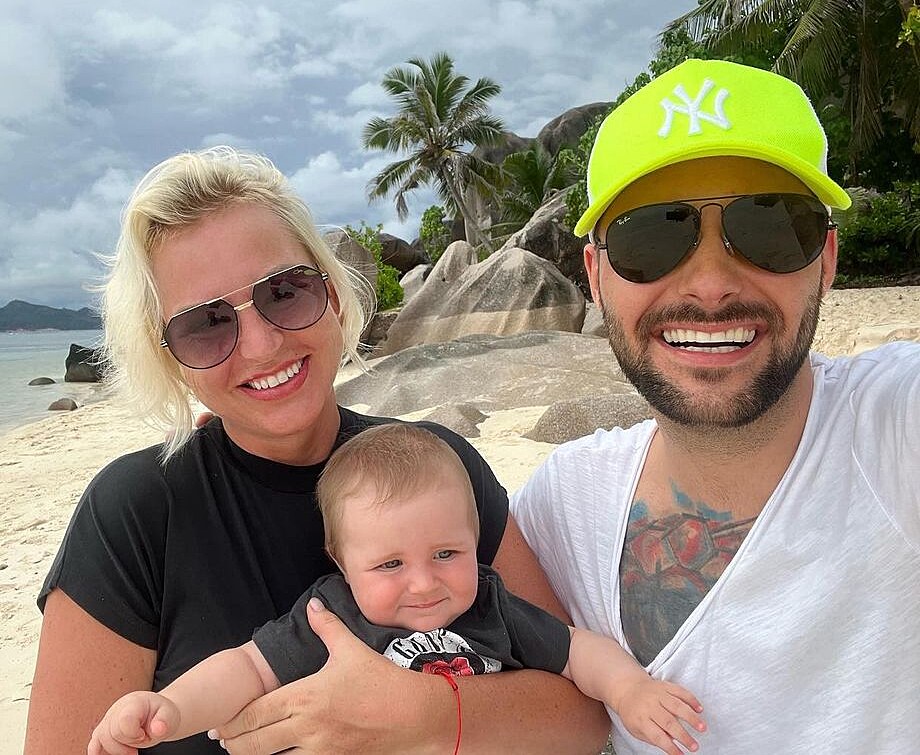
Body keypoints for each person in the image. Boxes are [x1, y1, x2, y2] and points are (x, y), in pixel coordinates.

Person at [26, 146, 613, 754]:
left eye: (285, 292)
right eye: (205, 324)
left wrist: (428, 715)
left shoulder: (437, 466)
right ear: (169, 355)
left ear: (332, 293)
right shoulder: (137, 512)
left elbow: (581, 717)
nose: (261, 346)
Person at [512, 57, 920, 754]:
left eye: (770, 227)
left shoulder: (895, 428)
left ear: (826, 259)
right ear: (597, 277)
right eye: (651, 237)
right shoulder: (561, 506)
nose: (709, 284)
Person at [89, 423, 706, 755]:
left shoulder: (490, 605)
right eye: (389, 564)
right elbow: (245, 669)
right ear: (343, 564)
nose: (424, 582)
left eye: (447, 554)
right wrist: (172, 709)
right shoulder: (333, 615)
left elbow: (575, 651)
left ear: (476, 540)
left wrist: (629, 689)